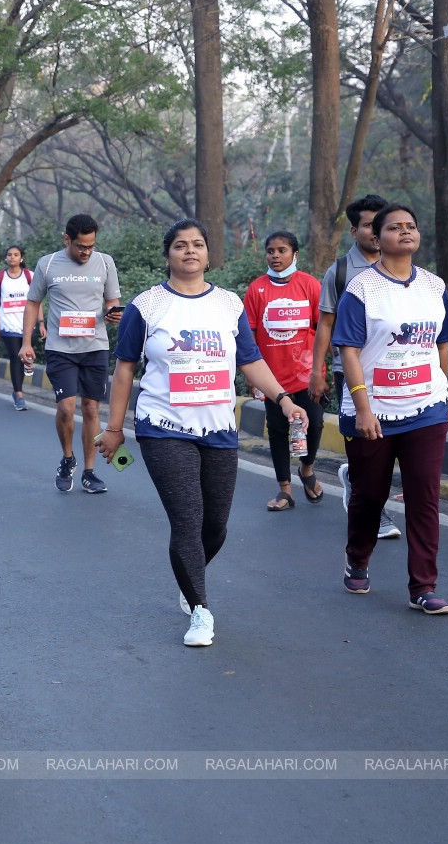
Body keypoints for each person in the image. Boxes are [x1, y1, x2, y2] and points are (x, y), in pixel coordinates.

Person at [97, 218, 306, 647]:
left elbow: (250, 361)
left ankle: (188, 576)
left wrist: (283, 399)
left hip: (218, 429)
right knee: (187, 522)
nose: (189, 251)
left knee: (217, 527)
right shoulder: (148, 306)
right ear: (168, 255)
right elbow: (124, 371)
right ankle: (200, 610)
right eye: (179, 245)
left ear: (209, 254)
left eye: (197, 244)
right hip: (164, 428)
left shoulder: (228, 304)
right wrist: (115, 429)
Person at [333, 204, 448, 615]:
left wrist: (443, 396)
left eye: (411, 226)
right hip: (373, 413)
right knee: (370, 494)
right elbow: (348, 350)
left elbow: (441, 344)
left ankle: (423, 586)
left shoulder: (435, 286)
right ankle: (358, 557)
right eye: (394, 227)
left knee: (425, 496)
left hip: (427, 409)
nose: (405, 232)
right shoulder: (361, 289)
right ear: (376, 237)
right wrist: (364, 408)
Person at [312, 194, 402, 540]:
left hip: (396, 373)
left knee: (390, 445)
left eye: (383, 223)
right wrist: (316, 371)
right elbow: (325, 325)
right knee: (369, 442)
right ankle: (376, 512)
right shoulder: (341, 272)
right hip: (349, 372)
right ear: (355, 230)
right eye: (369, 224)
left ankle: (357, 481)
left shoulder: (403, 267)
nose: (377, 230)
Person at [20, 214, 122, 493]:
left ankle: (89, 472)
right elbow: (33, 303)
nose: (86, 252)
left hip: (95, 347)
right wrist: (26, 342)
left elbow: (112, 300)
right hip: (60, 347)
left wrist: (114, 313)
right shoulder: (48, 263)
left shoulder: (105, 262)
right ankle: (68, 459)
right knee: (66, 407)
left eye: (91, 246)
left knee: (91, 407)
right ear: (67, 239)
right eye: (81, 246)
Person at [243, 231, 325, 510]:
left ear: (295, 255)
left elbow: (323, 329)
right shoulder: (256, 289)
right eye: (270, 251)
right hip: (272, 379)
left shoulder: (311, 285)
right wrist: (251, 377)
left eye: (282, 250)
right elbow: (250, 335)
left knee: (313, 424)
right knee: (277, 430)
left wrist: (320, 371)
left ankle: (307, 469)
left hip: (307, 375)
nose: (275, 256)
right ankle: (285, 490)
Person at [0, 245, 36, 410]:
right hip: (7, 325)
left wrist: (40, 323)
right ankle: (19, 394)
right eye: (9, 255)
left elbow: (36, 301)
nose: (12, 257)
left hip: (26, 325)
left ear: (21, 258)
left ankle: (19, 389)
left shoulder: (29, 276)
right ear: (6, 258)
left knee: (25, 358)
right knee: (16, 357)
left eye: (16, 255)